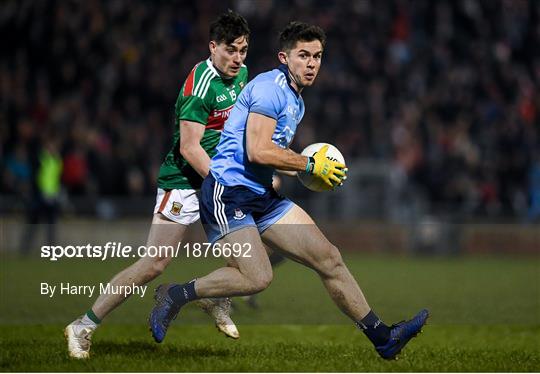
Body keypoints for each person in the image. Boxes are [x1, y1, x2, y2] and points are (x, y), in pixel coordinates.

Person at [149, 21, 429, 360]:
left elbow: (273, 157)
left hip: (261, 194)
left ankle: (384, 338)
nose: (311, 63)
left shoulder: (296, 101)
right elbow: (257, 150)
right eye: (304, 55)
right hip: (227, 192)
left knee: (330, 258)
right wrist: (309, 166)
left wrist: (306, 173)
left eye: (318, 56)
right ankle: (175, 295)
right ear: (285, 57)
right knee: (257, 277)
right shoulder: (270, 89)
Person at [65, 10, 251, 359]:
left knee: (261, 239)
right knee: (153, 264)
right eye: (231, 50)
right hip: (184, 182)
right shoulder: (199, 86)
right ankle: (82, 325)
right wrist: (225, 184)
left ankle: (216, 297)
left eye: (243, 50)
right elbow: (189, 147)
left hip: (219, 181)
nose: (238, 58)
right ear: (213, 47)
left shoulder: (241, 75)